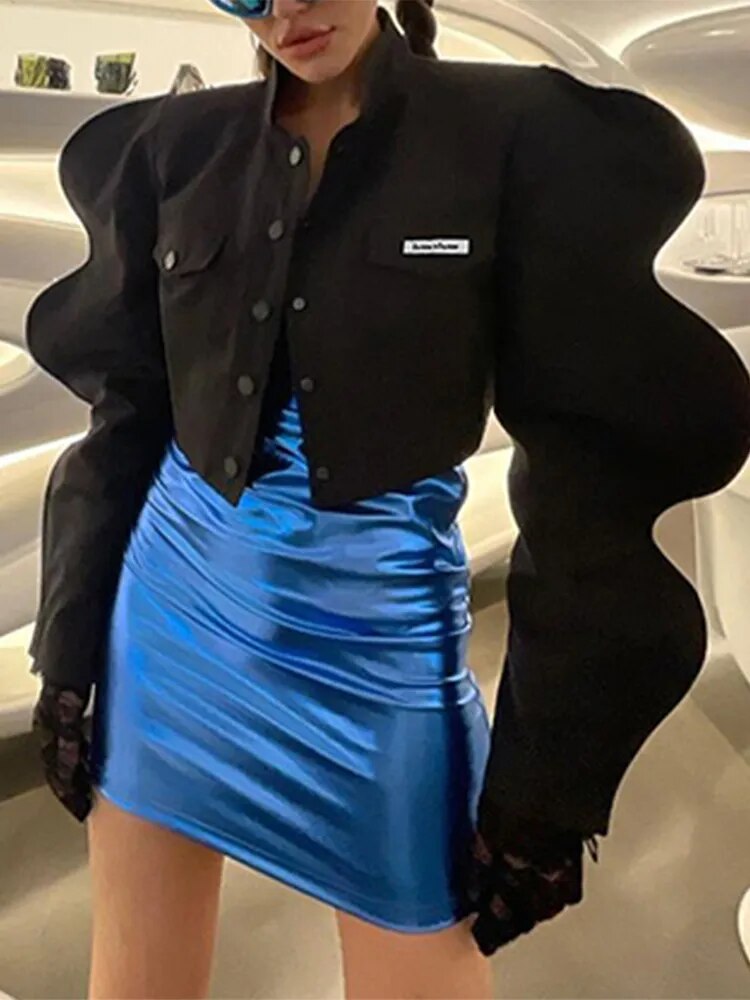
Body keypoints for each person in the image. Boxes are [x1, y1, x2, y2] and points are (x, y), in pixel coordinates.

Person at [26, 0, 750, 997]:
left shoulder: (512, 134)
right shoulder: (174, 148)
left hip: (379, 655)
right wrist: (69, 646)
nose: (286, 9)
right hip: (168, 630)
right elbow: (127, 420)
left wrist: (549, 775)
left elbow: (588, 469)